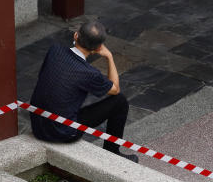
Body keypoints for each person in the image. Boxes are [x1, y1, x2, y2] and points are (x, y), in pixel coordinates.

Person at [29, 20, 137, 162]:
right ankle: (113, 153)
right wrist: (109, 56)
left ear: (75, 35)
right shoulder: (89, 73)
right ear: (98, 48)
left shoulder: (54, 50)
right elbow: (115, 89)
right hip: (63, 133)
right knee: (120, 102)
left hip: (38, 126)